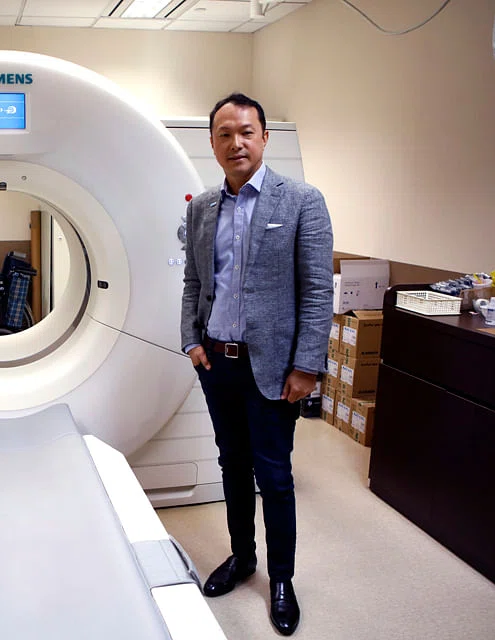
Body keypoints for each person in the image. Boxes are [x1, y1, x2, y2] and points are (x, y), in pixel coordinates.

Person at [180, 93, 333, 636]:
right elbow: (194, 281)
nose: (236, 142)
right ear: (213, 143)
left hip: (274, 368)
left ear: (264, 138)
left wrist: (307, 365)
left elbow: (317, 291)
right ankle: (243, 557)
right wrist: (191, 342)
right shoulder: (201, 207)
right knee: (231, 465)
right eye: (224, 134)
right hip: (217, 363)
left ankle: (282, 579)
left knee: (274, 474)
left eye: (246, 132)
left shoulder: (302, 201)